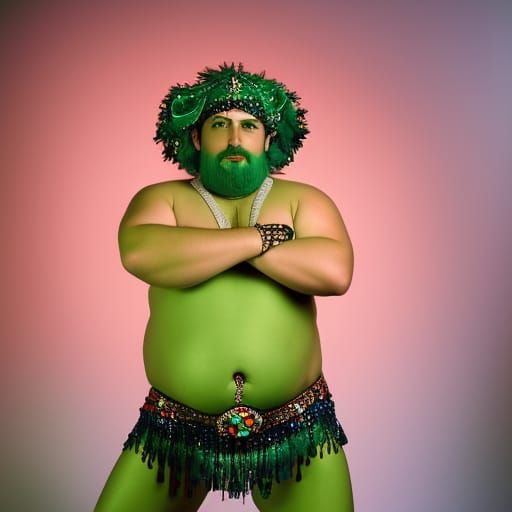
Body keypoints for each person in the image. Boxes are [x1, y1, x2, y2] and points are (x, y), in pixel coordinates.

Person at [95, 63, 354, 512]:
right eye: (220, 125)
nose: (235, 139)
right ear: (197, 137)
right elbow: (143, 253)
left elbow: (334, 272)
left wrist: (204, 248)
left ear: (268, 140)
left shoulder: (305, 200)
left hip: (297, 428)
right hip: (175, 428)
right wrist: (265, 238)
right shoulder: (161, 198)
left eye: (249, 126)